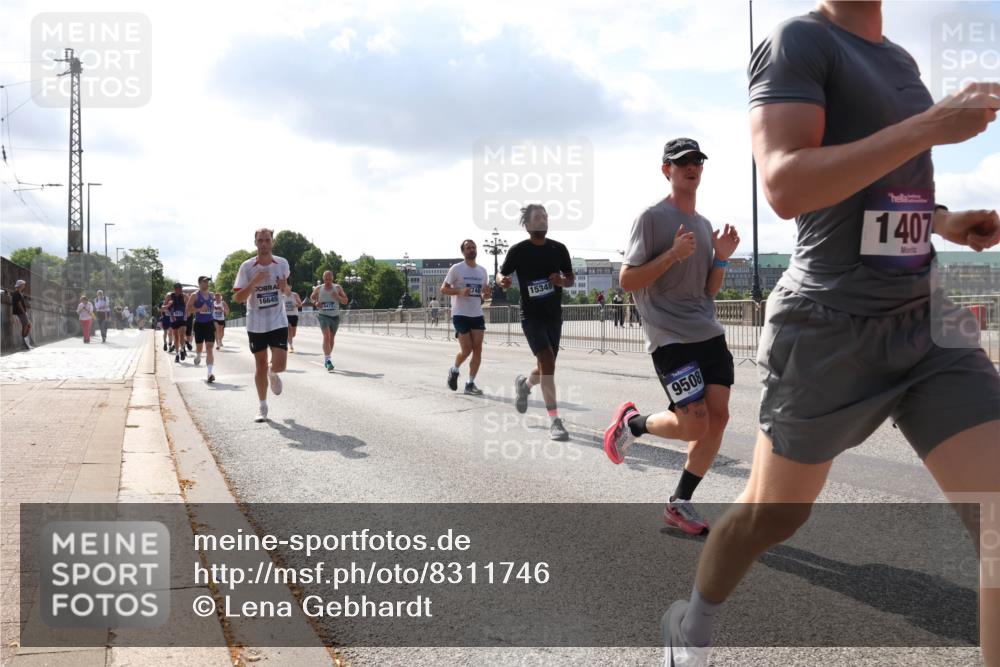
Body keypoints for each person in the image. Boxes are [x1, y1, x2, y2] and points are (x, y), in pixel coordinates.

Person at [661, 4, 1000, 666]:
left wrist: (947, 221)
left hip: (926, 321)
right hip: (828, 329)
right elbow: (786, 183)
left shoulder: (899, 60)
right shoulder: (799, 42)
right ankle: (692, 624)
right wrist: (933, 124)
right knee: (775, 515)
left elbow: (882, 190)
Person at [604, 137, 740, 537]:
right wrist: (672, 255)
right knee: (695, 424)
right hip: (670, 335)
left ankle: (679, 502)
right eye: (682, 163)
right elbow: (628, 281)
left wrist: (721, 257)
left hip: (708, 332)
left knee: (718, 420)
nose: (691, 167)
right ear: (667, 170)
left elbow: (708, 291)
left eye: (697, 161)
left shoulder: (700, 223)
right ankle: (633, 424)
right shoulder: (651, 217)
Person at [497, 204, 575, 441]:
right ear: (528, 225)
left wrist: (561, 281)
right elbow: (502, 274)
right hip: (531, 316)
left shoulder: (558, 249)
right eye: (538, 217)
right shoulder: (518, 250)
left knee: (545, 367)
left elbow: (570, 278)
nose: (543, 220)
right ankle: (555, 421)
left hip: (553, 315)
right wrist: (504, 282)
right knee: (548, 361)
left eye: (545, 217)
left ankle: (525, 385)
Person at [234, 228, 291, 422]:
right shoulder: (246, 267)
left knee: (281, 364)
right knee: (259, 364)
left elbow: (287, 290)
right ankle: (262, 406)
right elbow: (238, 297)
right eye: (261, 240)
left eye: (267, 240)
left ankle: (273, 372)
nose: (264, 244)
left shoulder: (282, 263)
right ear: (255, 243)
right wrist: (253, 282)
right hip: (256, 322)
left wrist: (285, 287)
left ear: (272, 242)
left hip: (277, 319)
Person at [442, 239, 491, 395]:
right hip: (460, 313)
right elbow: (444, 289)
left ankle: (470, 384)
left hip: (476, 313)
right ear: (463, 252)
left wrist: (486, 294)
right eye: (468, 248)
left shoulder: (482, 271)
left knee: (478, 350)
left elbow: (483, 295)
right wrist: (459, 291)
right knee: (466, 349)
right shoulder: (456, 269)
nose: (471, 249)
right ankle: (454, 370)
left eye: (473, 247)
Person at [310, 271, 348, 371]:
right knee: (326, 337)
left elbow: (345, 301)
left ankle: (327, 358)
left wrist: (338, 297)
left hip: (335, 317)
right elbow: (312, 297)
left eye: (330, 279)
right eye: (326, 279)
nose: (328, 281)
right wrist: (316, 302)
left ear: (332, 278)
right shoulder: (319, 288)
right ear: (323, 278)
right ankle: (328, 360)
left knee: (331, 339)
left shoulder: (338, 288)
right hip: (323, 315)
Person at [186, 276, 217, 382]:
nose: (207, 283)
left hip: (209, 323)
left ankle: (209, 373)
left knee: (209, 348)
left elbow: (213, 307)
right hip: (199, 324)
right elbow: (188, 309)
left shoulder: (212, 295)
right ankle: (198, 356)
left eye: (207, 281)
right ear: (199, 283)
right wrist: (199, 309)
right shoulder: (195, 295)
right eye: (204, 281)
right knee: (199, 348)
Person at [165, 283, 188, 362]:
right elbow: (163, 308)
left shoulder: (184, 296)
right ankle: (177, 354)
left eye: (180, 289)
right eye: (178, 289)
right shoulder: (169, 296)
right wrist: (168, 305)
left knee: (181, 335)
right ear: (174, 289)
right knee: (176, 337)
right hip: (174, 319)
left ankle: (182, 350)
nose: (179, 291)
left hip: (182, 319)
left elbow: (189, 306)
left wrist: (188, 311)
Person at [10, 279, 33, 349]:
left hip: (22, 312)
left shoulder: (20, 293)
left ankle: (25, 342)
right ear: (20, 285)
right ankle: (24, 343)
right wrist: (24, 313)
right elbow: (19, 304)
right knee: (26, 325)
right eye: (23, 284)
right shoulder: (16, 293)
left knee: (28, 325)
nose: (24, 286)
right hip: (20, 312)